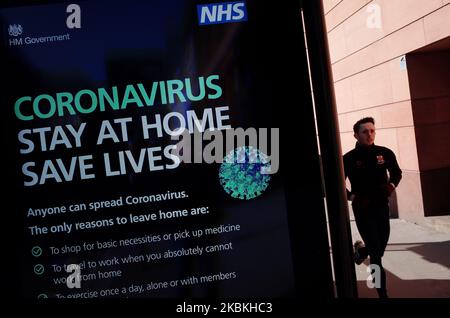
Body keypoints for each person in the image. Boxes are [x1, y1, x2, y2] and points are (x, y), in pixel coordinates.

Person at [343, 117, 402, 298]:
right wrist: (352, 197)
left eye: (372, 131)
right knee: (376, 255)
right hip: (363, 209)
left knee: (380, 246)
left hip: (381, 207)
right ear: (356, 135)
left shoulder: (385, 153)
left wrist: (391, 186)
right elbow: (334, 183)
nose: (370, 134)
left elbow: (396, 173)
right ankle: (382, 294)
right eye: (365, 132)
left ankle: (361, 251)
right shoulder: (348, 158)